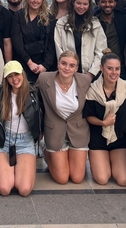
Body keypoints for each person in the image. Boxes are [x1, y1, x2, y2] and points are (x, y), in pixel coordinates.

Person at [36, 51, 90, 184]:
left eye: (72, 65)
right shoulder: (44, 79)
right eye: (64, 63)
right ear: (58, 64)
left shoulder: (85, 80)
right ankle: (47, 152)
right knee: (62, 179)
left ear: (76, 68)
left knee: (77, 178)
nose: (67, 68)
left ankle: (63, 158)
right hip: (55, 132)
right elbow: (30, 94)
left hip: (78, 132)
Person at [0, 61, 40, 196]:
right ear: (5, 78)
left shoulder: (34, 93)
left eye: (17, 74)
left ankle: (20, 167)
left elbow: (41, 118)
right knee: (5, 189)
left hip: (25, 141)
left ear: (22, 73)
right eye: (10, 76)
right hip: (3, 141)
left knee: (24, 189)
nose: (14, 79)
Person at [84, 53, 126, 186]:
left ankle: (114, 161)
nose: (114, 73)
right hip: (98, 138)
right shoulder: (92, 90)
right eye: (110, 68)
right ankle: (102, 162)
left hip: (120, 137)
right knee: (102, 179)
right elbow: (89, 116)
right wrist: (103, 123)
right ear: (101, 68)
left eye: (117, 68)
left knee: (123, 180)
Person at [54, 0, 107, 78]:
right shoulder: (61, 23)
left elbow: (101, 51)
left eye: (85, 4)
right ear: (73, 3)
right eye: (78, 3)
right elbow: (59, 49)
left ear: (89, 5)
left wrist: (91, 74)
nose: (81, 7)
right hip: (67, 73)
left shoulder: (95, 24)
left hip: (90, 74)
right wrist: (67, 69)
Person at [11, 0, 55, 83]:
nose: (35, 1)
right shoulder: (19, 15)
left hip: (43, 63)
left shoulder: (50, 18)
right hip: (23, 61)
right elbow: (17, 42)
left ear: (43, 0)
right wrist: (29, 63)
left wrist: (45, 65)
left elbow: (51, 44)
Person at [95, 0, 126, 78]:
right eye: (103, 2)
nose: (107, 5)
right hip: (100, 68)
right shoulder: (93, 22)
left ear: (115, 3)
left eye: (110, 2)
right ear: (98, 3)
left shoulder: (125, 19)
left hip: (121, 68)